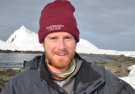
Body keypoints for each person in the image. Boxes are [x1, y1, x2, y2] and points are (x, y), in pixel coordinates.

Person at [1, 0, 135, 94]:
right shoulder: (18, 87)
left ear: (76, 41)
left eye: (67, 38)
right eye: (53, 38)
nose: (61, 46)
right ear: (42, 42)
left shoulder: (105, 81)